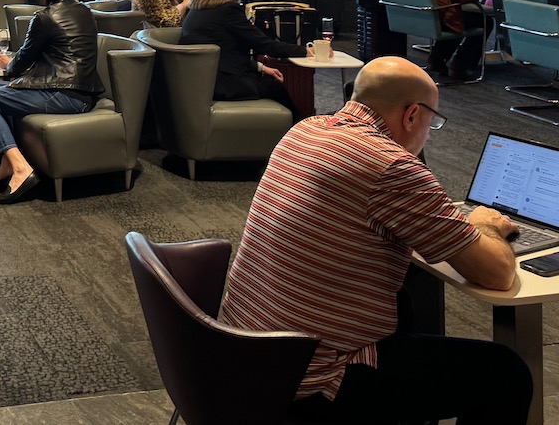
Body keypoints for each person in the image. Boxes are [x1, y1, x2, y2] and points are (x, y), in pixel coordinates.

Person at [219, 57, 531, 425]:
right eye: (433, 121)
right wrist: (486, 225)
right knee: (504, 374)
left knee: (404, 303)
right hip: (310, 377)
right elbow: (497, 272)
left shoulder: (306, 129)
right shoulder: (391, 166)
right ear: (412, 115)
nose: (429, 132)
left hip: (245, 350)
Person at [0, 0, 101, 205]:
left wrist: (8, 64)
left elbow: (19, 64)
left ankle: (20, 168)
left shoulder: (44, 18)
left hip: (63, 95)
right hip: (85, 96)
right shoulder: (86, 12)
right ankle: (7, 164)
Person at [181, 0, 301, 119]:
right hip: (224, 85)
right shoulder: (228, 11)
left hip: (201, 82)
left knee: (268, 83)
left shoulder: (195, 10)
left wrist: (260, 67)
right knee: (277, 89)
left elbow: (224, 53)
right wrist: (304, 51)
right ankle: (300, 133)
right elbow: (265, 45)